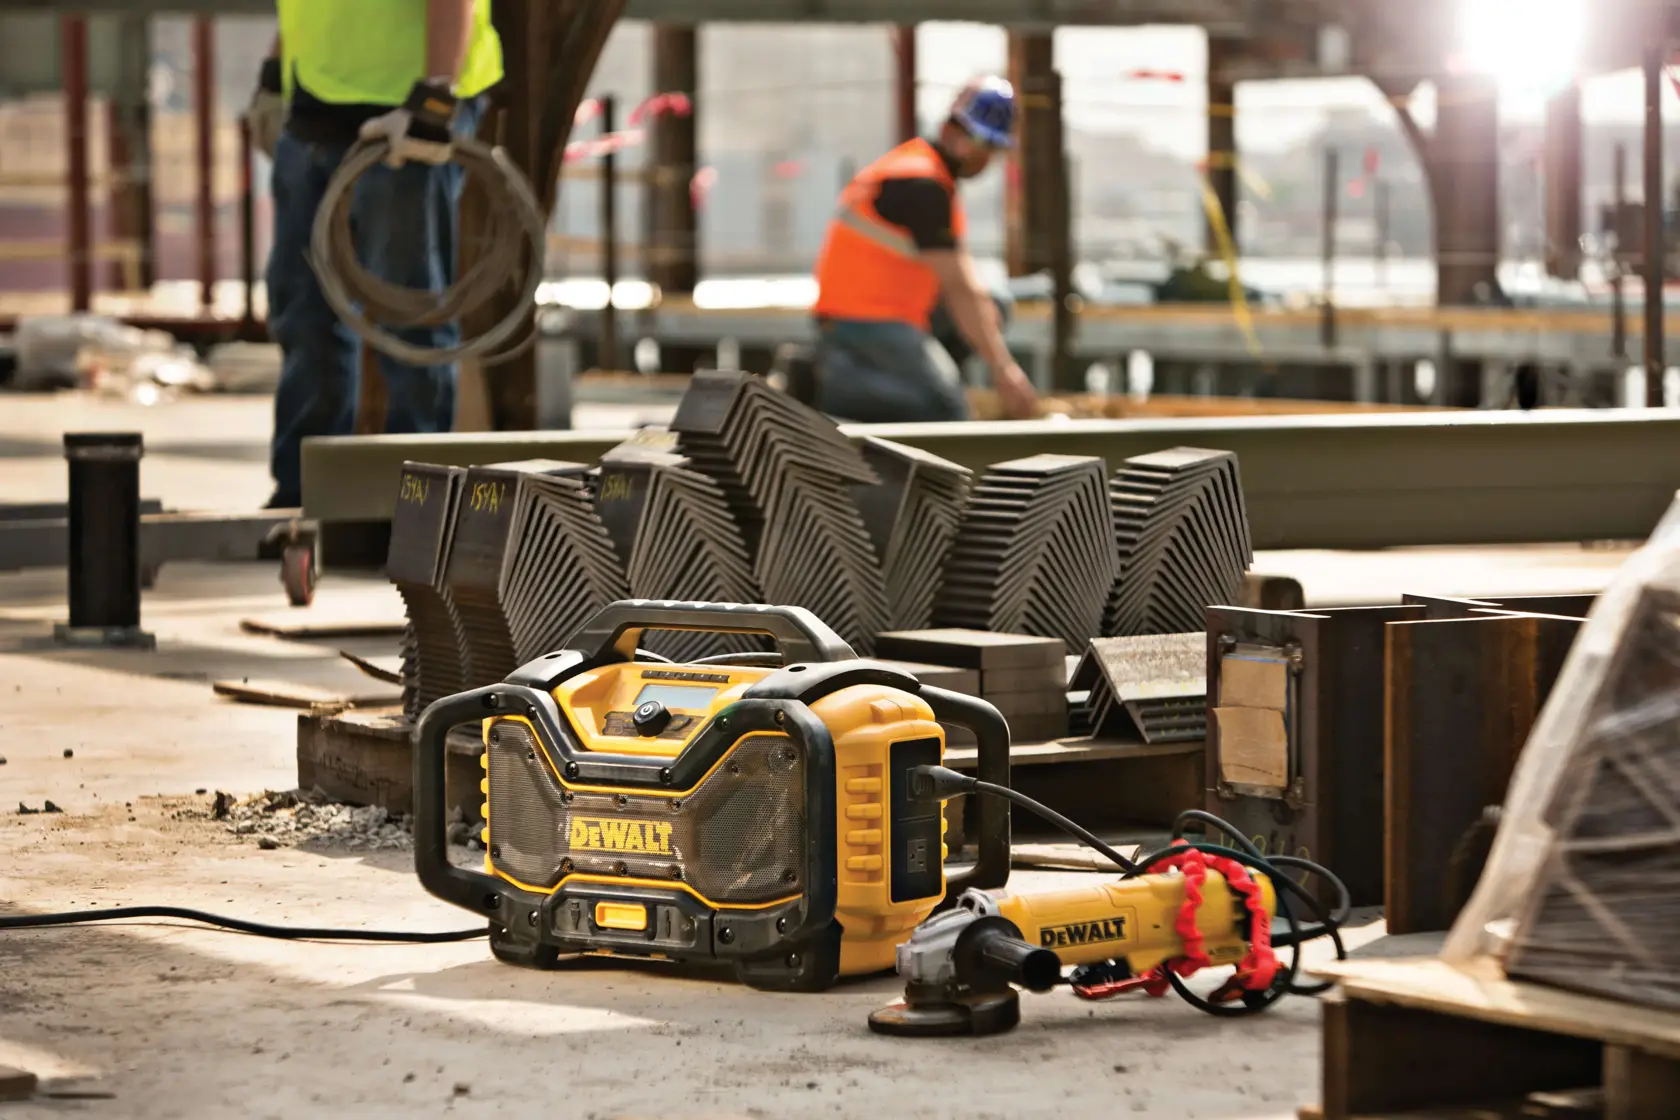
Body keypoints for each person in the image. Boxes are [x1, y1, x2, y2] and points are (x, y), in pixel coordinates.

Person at [249, 1, 503, 509]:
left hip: (405, 107)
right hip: (316, 105)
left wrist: (433, 101)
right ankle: (305, 497)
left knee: (409, 315)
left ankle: (422, 505)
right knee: (304, 313)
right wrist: (277, 71)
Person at [810, 76, 1039, 423]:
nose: (986, 160)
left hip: (880, 309)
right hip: (867, 319)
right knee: (947, 410)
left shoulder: (921, 168)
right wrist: (1003, 370)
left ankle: (928, 376)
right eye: (989, 149)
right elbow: (960, 288)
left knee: (995, 306)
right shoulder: (922, 186)